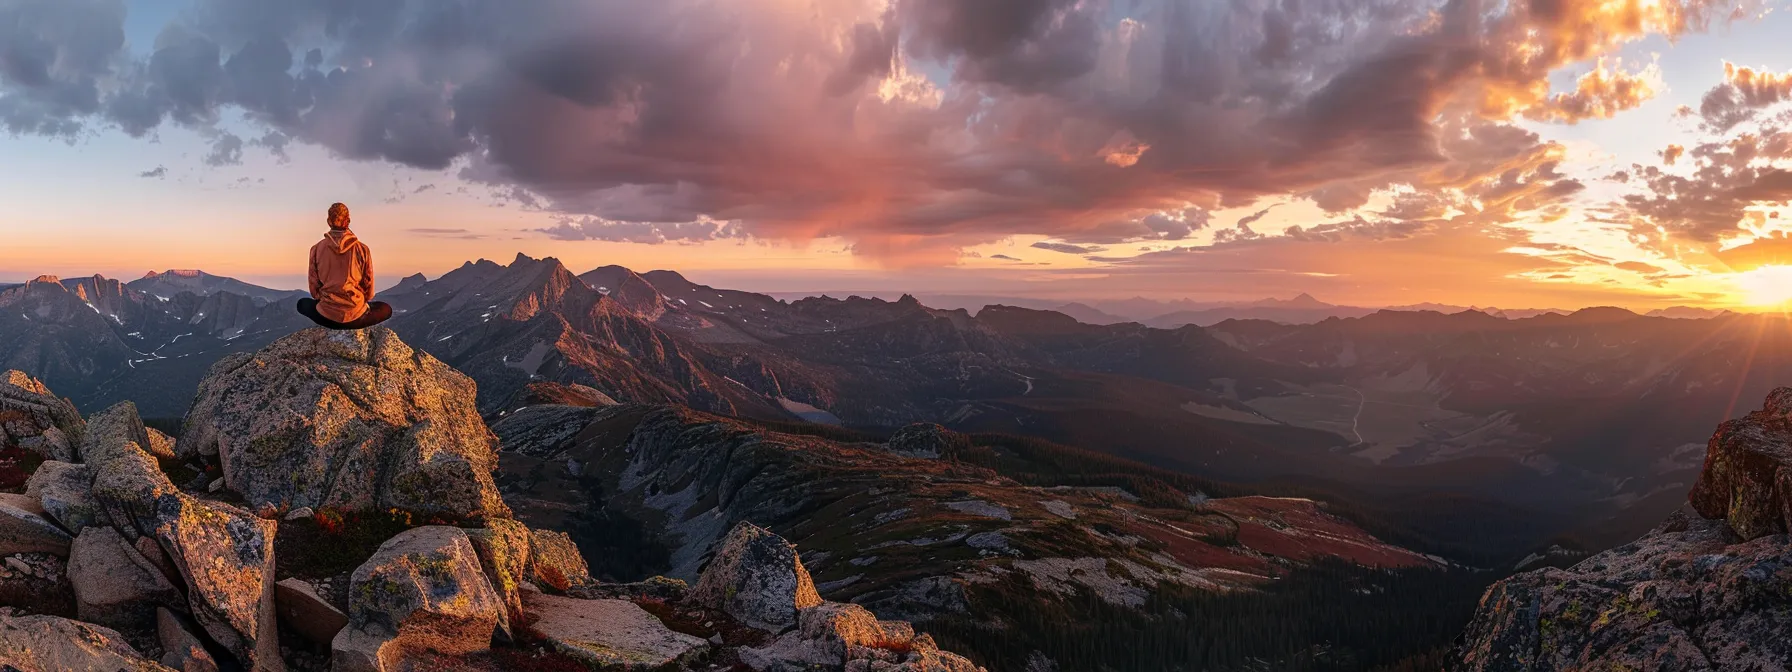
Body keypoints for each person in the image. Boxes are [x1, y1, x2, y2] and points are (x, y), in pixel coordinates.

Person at [297, 202, 392, 330]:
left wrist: (328, 301)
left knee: (302, 304)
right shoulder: (362, 249)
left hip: (326, 316)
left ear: (328, 221)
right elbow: (369, 292)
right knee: (386, 309)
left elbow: (314, 292)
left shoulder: (316, 249)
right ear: (348, 221)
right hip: (355, 317)